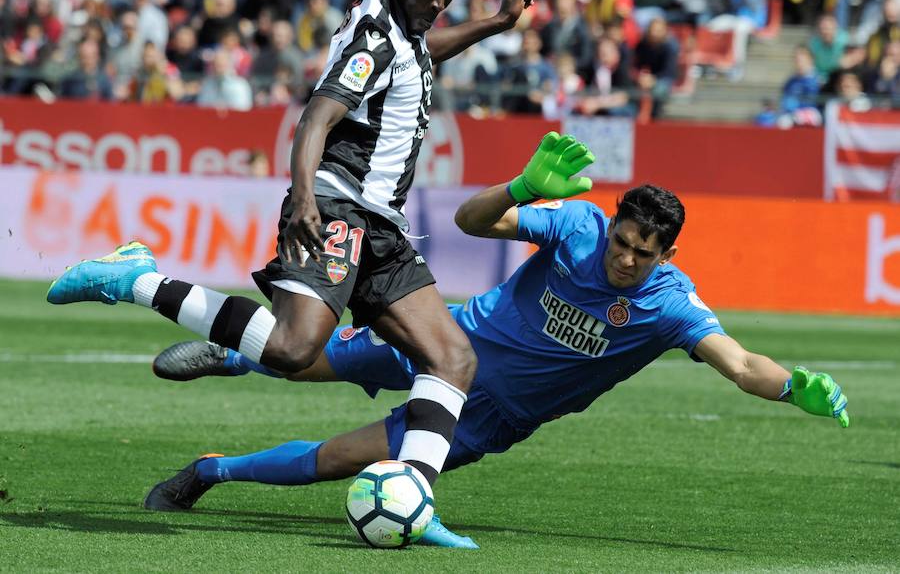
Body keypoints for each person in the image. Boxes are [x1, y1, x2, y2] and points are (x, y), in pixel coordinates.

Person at [46, 0, 537, 520]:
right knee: (290, 348)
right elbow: (317, 117)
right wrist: (304, 196)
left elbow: (420, 54)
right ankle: (134, 279)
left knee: (453, 360)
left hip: (381, 223)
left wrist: (495, 23)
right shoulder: (374, 38)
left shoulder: (403, 30)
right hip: (339, 203)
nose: (438, 2)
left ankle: (415, 504)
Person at [142, 135, 850, 549]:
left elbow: (741, 362)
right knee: (305, 360)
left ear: (666, 256)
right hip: (450, 342)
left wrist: (791, 386)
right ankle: (236, 354)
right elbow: (478, 221)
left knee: (337, 459)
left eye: (643, 252)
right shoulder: (576, 226)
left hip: (491, 418)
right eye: (624, 240)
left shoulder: (670, 305)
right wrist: (521, 184)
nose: (625, 258)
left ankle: (210, 471)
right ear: (614, 226)